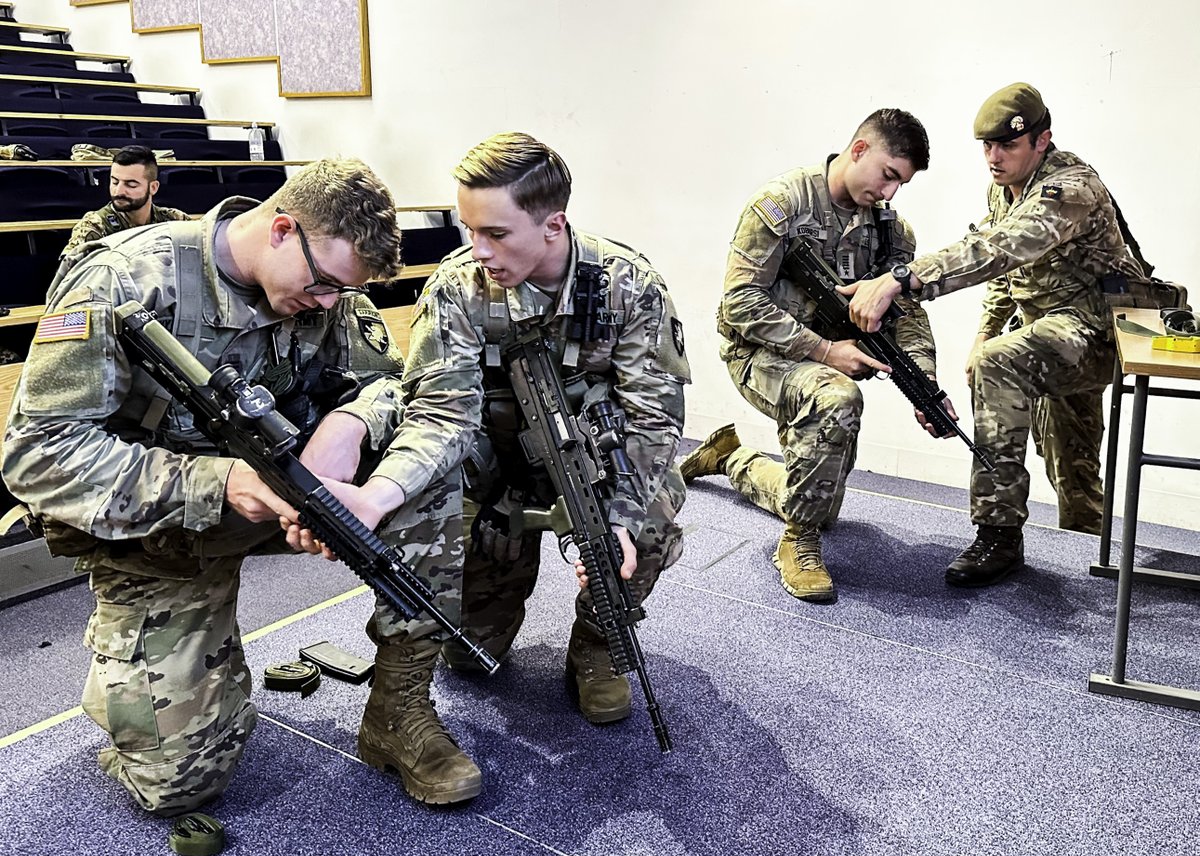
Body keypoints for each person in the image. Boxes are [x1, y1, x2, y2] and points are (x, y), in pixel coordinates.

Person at [2, 159, 406, 815]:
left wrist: (353, 419)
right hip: (157, 534)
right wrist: (217, 482)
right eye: (326, 283)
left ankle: (404, 714)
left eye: (344, 290)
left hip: (276, 500)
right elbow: (36, 455)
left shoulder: (327, 290)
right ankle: (124, 679)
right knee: (180, 787)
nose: (331, 302)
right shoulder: (122, 277)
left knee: (432, 472)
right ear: (281, 229)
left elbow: (394, 382)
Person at [313, 132, 690, 806]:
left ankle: (600, 642)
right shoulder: (458, 289)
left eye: (495, 232)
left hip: (594, 469)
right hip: (491, 475)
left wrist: (625, 520)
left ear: (554, 225)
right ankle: (479, 611)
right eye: (468, 229)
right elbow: (441, 416)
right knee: (475, 653)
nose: (479, 249)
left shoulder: (629, 284)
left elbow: (655, 420)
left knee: (656, 515)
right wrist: (381, 493)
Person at [845, 83, 1144, 586]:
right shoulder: (1004, 188)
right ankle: (1095, 567)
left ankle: (998, 535)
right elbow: (1006, 273)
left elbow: (1002, 249)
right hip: (1047, 334)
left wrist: (902, 278)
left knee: (1007, 370)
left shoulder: (1069, 190)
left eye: (1007, 145)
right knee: (1072, 462)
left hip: (1096, 333)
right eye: (986, 145)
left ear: (1042, 140)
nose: (993, 156)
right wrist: (983, 332)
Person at [681, 109, 941, 604]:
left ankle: (730, 456)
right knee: (837, 399)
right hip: (759, 354)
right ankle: (797, 542)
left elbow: (904, 313)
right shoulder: (781, 204)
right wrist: (824, 351)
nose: (889, 193)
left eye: (900, 184)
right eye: (888, 176)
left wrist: (925, 386)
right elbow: (739, 302)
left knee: (816, 499)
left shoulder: (892, 233)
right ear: (859, 149)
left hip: (824, 362)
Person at [61, 144, 191, 257]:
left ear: (153, 187)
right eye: (115, 182)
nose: (119, 191)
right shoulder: (95, 225)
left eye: (131, 184)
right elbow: (69, 275)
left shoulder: (175, 220)